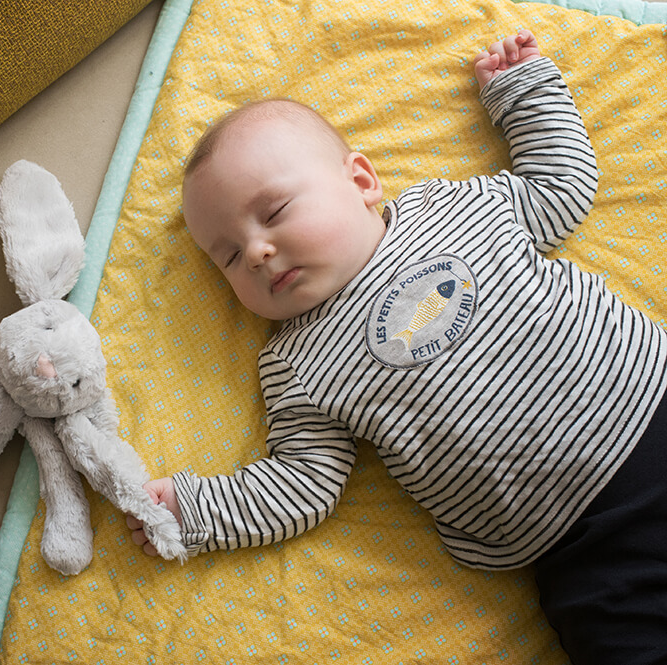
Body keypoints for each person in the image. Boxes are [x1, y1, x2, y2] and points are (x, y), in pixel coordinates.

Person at [127, 29, 667, 663]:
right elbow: (301, 488)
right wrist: (194, 509)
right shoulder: (294, 365)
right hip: (575, 546)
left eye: (273, 213)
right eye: (228, 255)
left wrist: (522, 90)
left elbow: (560, 189)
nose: (256, 252)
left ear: (361, 181)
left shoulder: (454, 209)